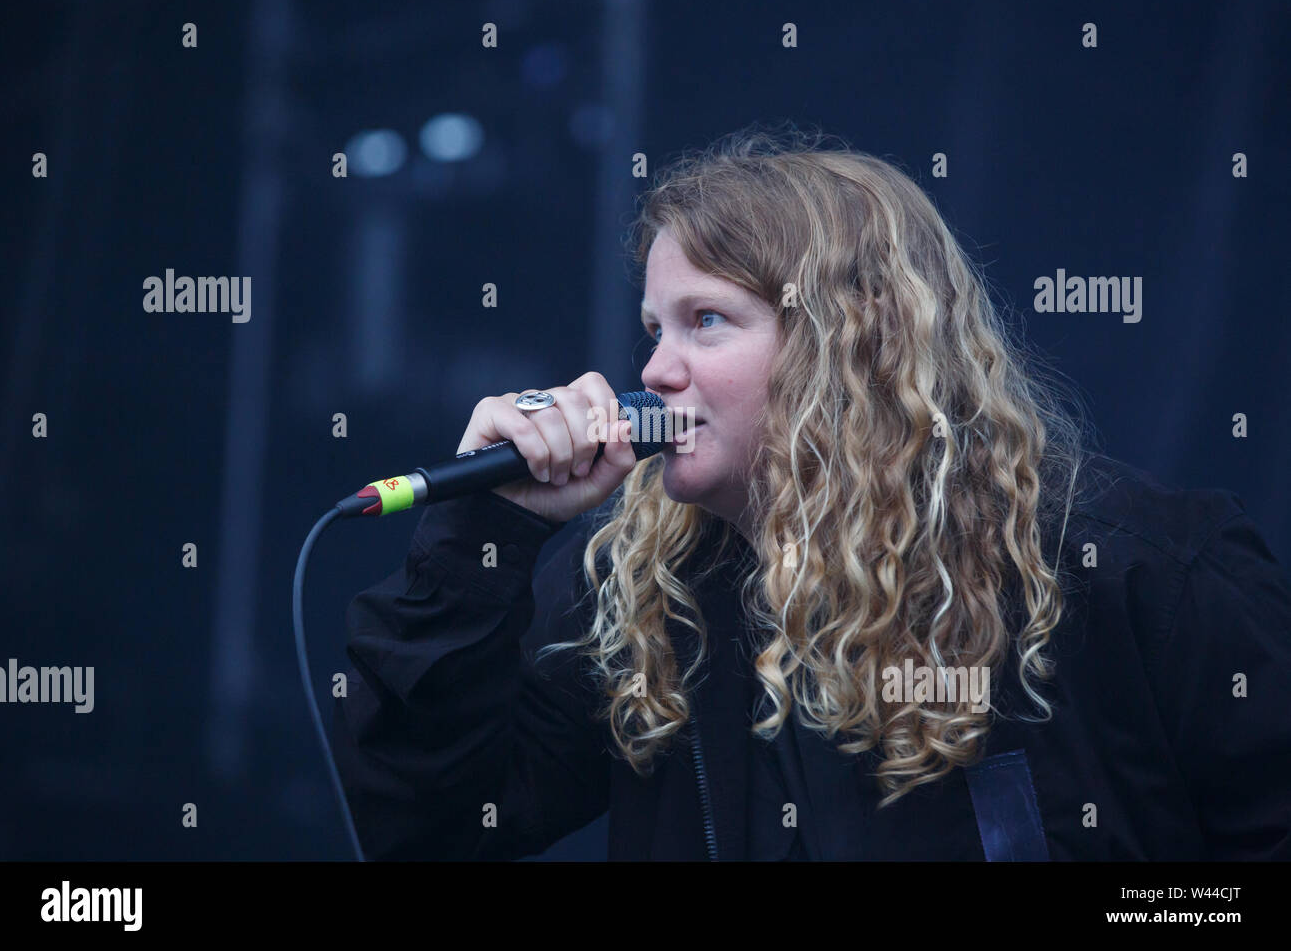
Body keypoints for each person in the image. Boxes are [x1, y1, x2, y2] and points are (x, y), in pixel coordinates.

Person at [330, 126, 1291, 860]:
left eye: (707, 321)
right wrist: (480, 537)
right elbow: (434, 828)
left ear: (853, 335)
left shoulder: (1129, 569)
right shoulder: (652, 603)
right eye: (653, 329)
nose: (655, 371)